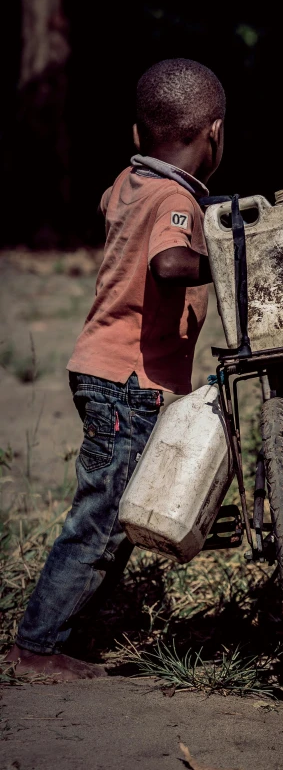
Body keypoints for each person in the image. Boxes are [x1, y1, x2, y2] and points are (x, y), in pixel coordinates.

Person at [5, 58, 226, 680]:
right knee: (102, 517)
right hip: (129, 382)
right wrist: (230, 254)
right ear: (214, 132)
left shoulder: (130, 184)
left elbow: (116, 206)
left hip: (101, 370)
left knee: (121, 512)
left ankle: (74, 626)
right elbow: (170, 266)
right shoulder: (177, 198)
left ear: (137, 135)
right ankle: (37, 646)